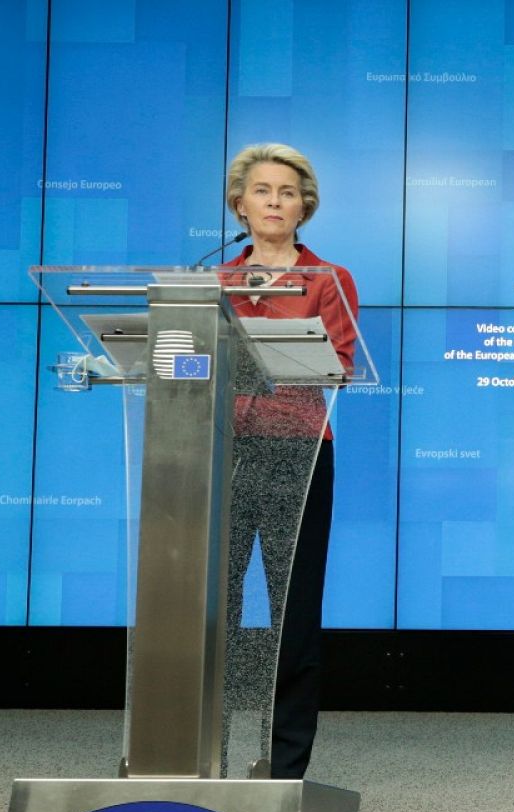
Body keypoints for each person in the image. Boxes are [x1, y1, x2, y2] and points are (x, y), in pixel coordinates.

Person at [221, 143, 360, 779]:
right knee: (212, 604)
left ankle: (281, 769)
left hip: (298, 456)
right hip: (218, 454)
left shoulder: (328, 279)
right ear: (239, 205)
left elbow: (343, 365)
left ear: (305, 206)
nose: (274, 201)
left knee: (291, 612)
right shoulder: (214, 283)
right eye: (262, 191)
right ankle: (204, 754)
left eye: (287, 192)